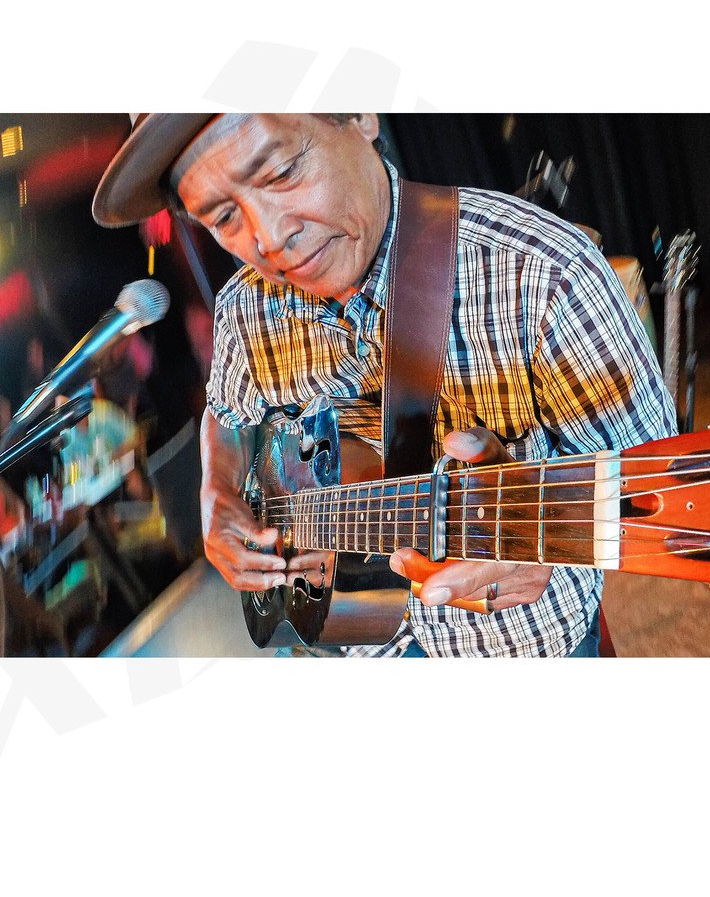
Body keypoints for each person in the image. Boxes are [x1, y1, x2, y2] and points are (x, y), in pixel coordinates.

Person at [92, 114, 676, 657]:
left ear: (360, 114)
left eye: (282, 171)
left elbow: (663, 493)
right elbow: (225, 411)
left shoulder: (545, 276)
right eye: (224, 218)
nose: (267, 238)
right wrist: (216, 489)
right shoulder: (244, 309)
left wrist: (550, 539)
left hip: (518, 647)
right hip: (356, 641)